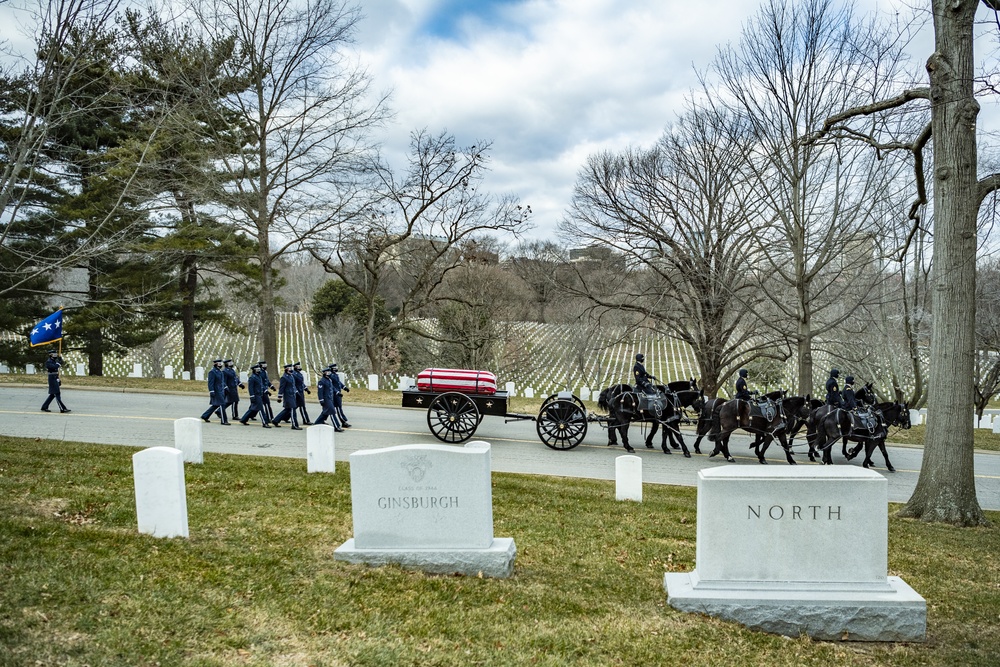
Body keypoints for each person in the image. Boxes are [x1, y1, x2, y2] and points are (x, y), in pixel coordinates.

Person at [271, 363, 302, 430]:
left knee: (287, 410)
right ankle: (294, 425)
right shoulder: (284, 377)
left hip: (292, 395)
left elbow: (293, 386)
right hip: (288, 396)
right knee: (292, 409)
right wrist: (279, 396)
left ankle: (275, 420)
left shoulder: (291, 376)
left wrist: (297, 393)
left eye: (291, 368)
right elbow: (282, 388)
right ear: (286, 369)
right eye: (289, 368)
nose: (291, 370)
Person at [313, 365, 343, 431]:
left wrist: (338, 393)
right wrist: (321, 400)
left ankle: (317, 423)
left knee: (325, 412)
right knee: (332, 411)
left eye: (329, 372)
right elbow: (320, 392)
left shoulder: (329, 380)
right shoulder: (322, 381)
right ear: (324, 373)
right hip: (326, 399)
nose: (329, 374)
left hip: (330, 398)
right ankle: (337, 426)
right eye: (327, 372)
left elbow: (332, 388)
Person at [201, 358, 230, 424]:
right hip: (216, 391)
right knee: (222, 405)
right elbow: (210, 383)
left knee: (216, 405)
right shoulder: (212, 372)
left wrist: (225, 387)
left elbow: (222, 381)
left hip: (221, 391)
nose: (220, 365)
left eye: (221, 363)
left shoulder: (220, 371)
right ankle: (224, 421)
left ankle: (205, 416)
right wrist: (211, 391)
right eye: (219, 363)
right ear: (215, 364)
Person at [330, 362, 351, 427]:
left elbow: (339, 383)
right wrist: (337, 392)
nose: (336, 369)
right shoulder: (331, 376)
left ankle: (321, 420)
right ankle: (343, 421)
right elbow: (331, 386)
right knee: (338, 408)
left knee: (328, 410)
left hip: (338, 393)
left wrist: (344, 387)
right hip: (335, 394)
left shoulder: (335, 375)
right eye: (334, 368)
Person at [292, 361, 312, 425]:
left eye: (299, 366)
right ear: (294, 367)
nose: (299, 368)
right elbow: (293, 384)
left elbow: (301, 383)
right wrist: (296, 391)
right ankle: (306, 420)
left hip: (301, 391)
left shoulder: (299, 373)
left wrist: (306, 388)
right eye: (298, 366)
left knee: (294, 407)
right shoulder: (294, 374)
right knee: (302, 406)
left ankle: (283, 417)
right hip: (297, 393)